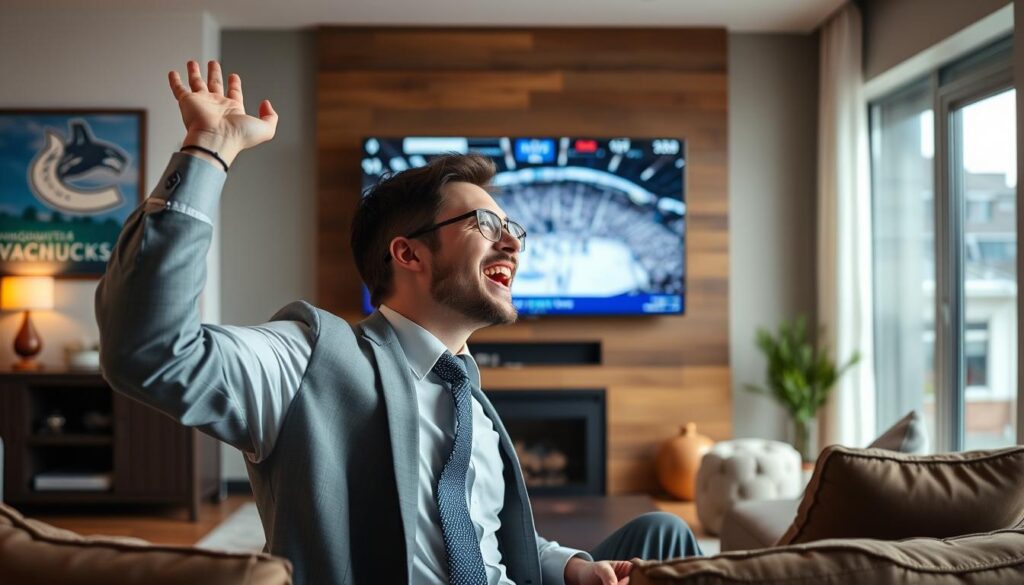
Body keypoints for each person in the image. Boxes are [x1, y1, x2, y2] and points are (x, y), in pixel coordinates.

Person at [96, 60, 702, 585]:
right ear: (408, 253)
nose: (514, 245)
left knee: (663, 533)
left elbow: (485, 543)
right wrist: (207, 151)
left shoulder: (470, 400)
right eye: (485, 226)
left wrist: (571, 568)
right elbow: (150, 349)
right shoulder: (309, 357)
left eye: (513, 229)